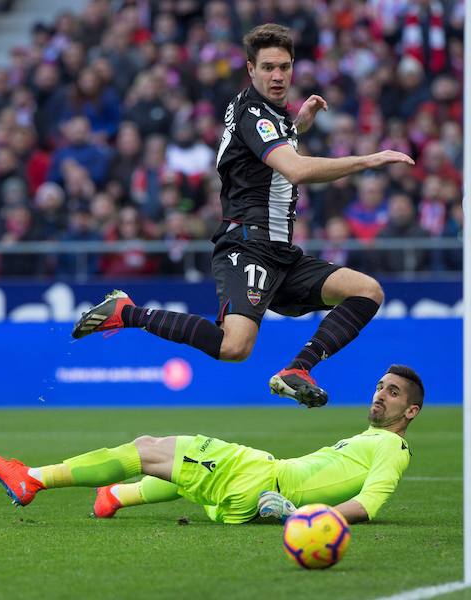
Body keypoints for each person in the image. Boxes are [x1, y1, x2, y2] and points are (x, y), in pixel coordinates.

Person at [70, 24, 414, 408]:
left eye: (284, 67)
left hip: (282, 252)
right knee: (234, 347)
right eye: (268, 67)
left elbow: (268, 154)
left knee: (367, 291)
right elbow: (296, 170)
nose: (278, 76)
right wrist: (369, 159)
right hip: (247, 245)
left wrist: (297, 124)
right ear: (250, 69)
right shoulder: (254, 114)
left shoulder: (270, 115)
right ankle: (126, 312)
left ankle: (296, 370)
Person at [0, 365, 423, 524]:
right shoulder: (371, 438)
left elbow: (368, 505)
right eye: (380, 387)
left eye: (393, 393)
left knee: (149, 447)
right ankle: (115, 495)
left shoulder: (391, 449)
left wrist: (305, 517)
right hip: (255, 494)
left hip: (259, 478)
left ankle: (31, 479)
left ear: (411, 412)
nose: (380, 395)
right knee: (187, 472)